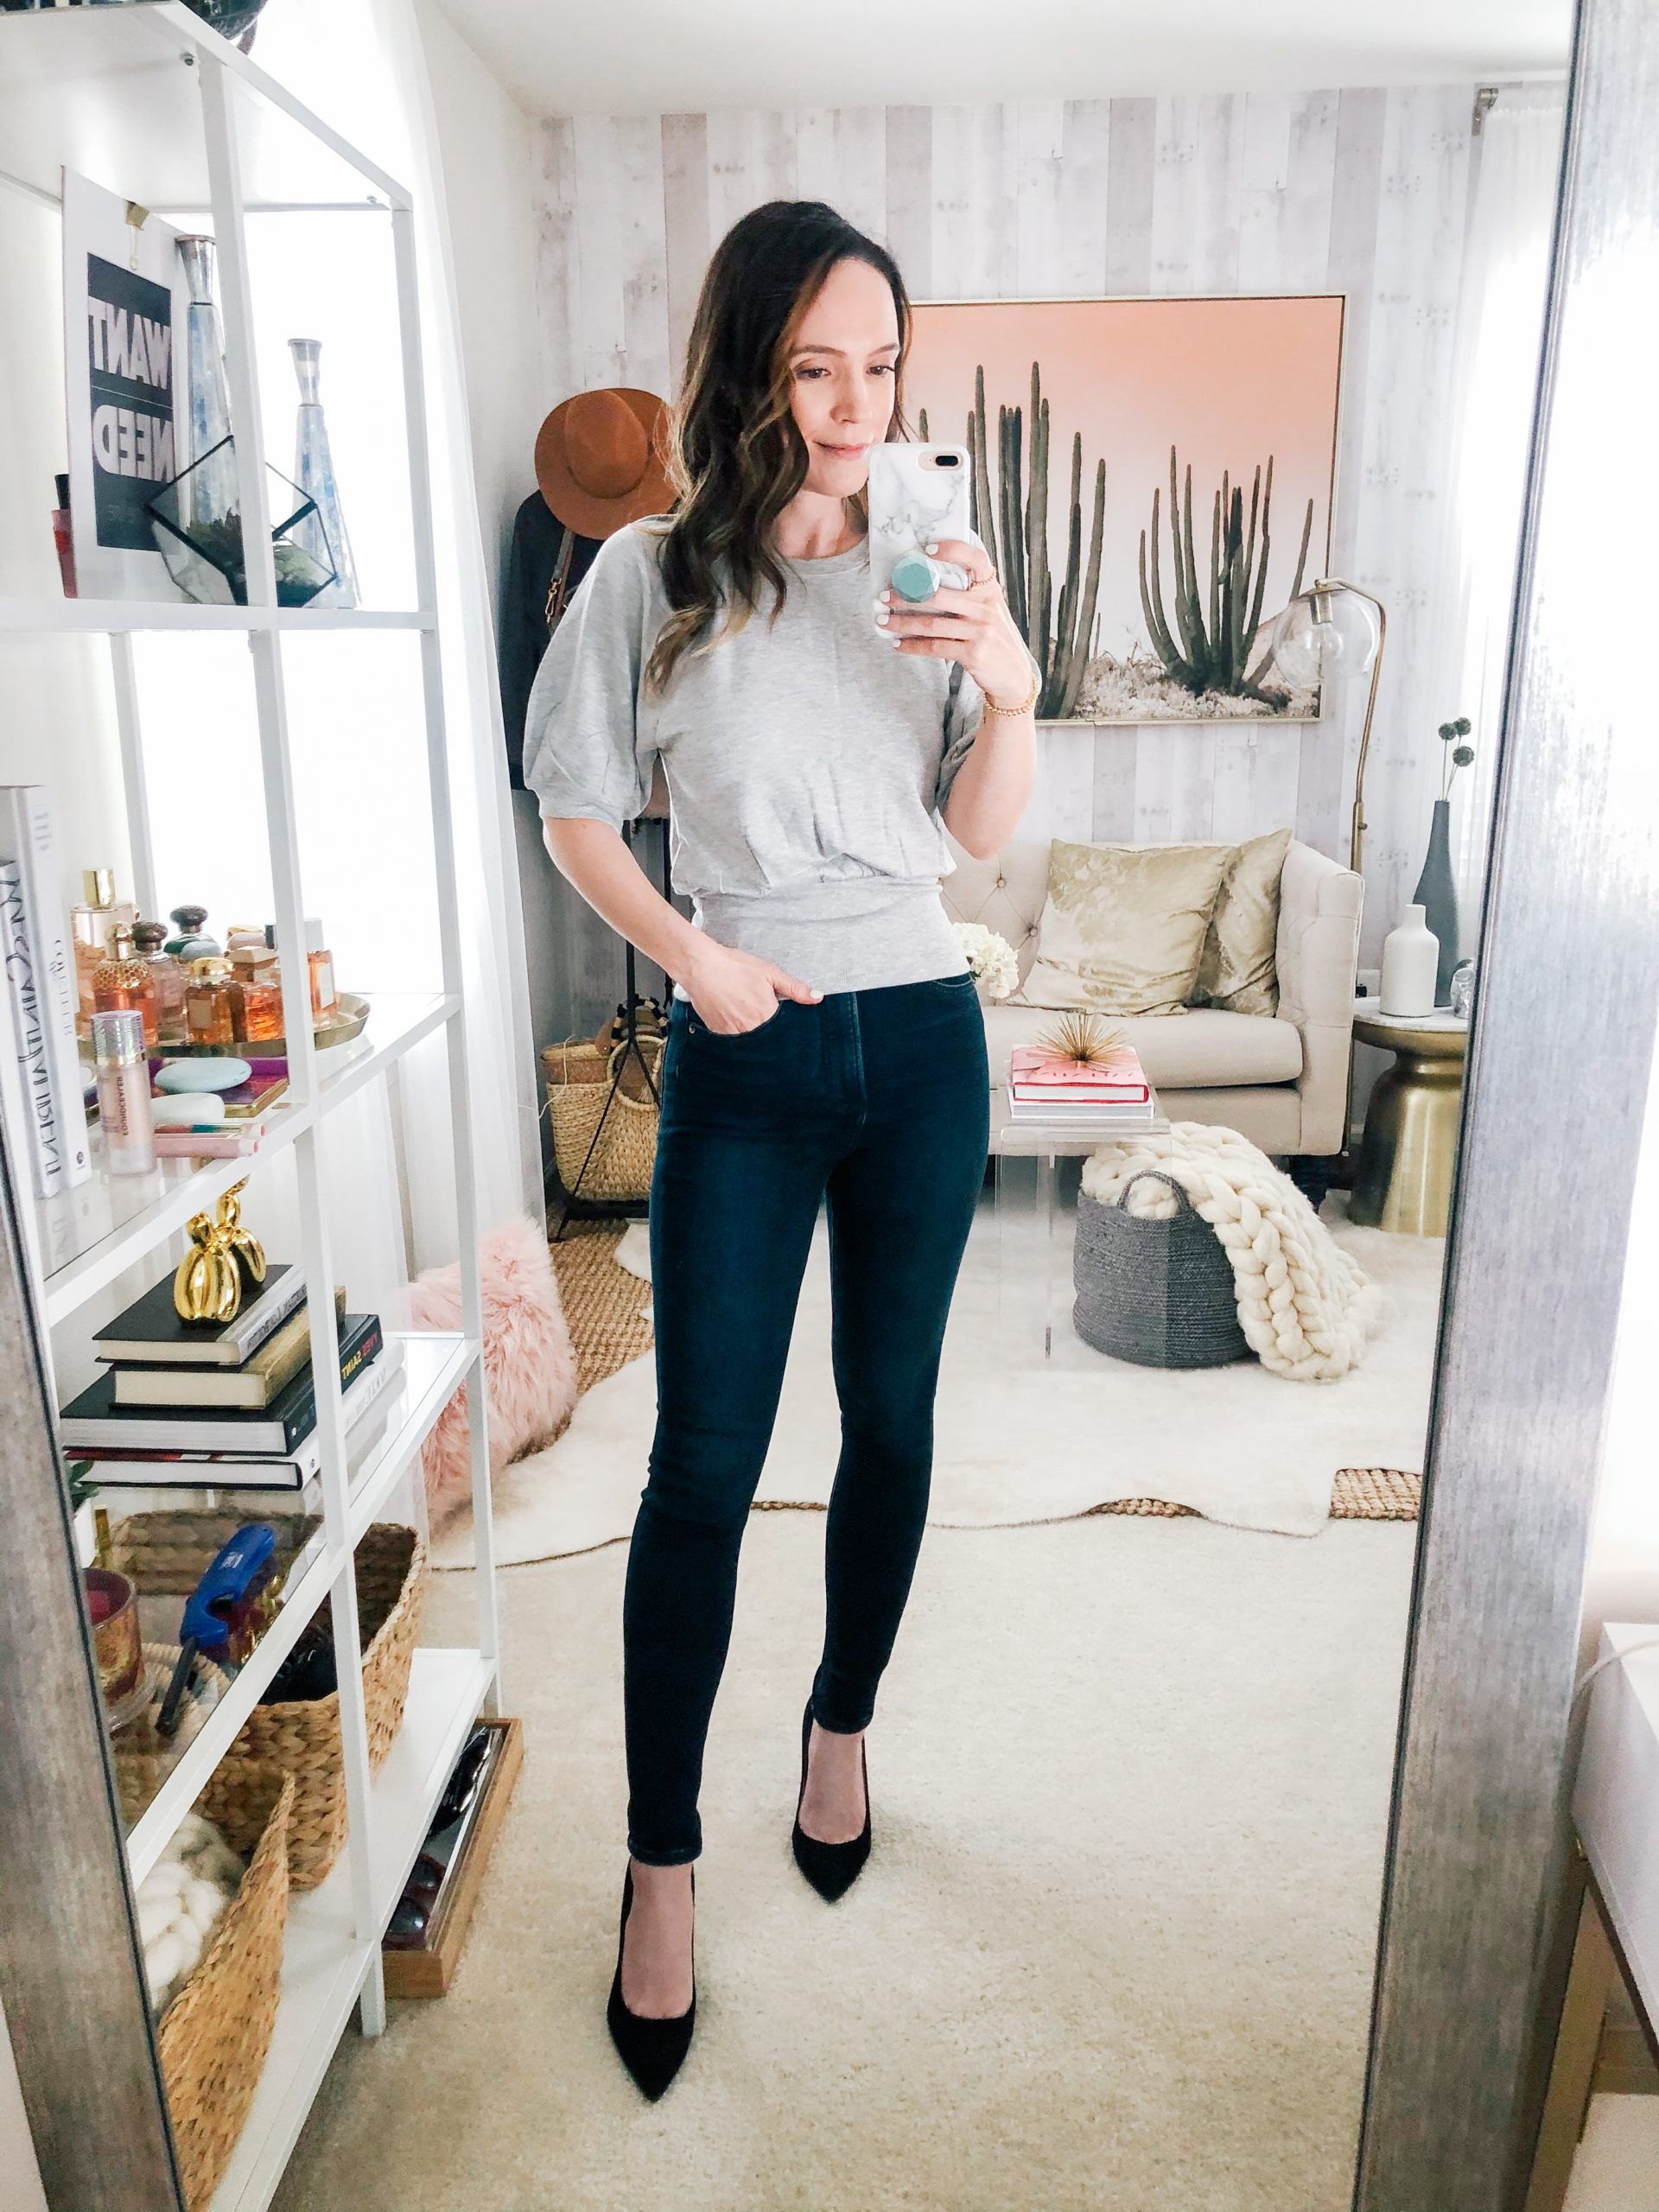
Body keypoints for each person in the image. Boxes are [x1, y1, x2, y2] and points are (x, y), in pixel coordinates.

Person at [523, 198, 1039, 2100]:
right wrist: (697, 961)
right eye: (816, 367)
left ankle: (840, 1727)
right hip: (742, 1045)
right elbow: (577, 809)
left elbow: (974, 830)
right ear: (749, 368)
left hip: (922, 1039)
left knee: (891, 1423)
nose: (852, 405)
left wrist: (1012, 677)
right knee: (703, 1467)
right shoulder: (652, 572)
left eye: (881, 366)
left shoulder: (934, 556)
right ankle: (661, 1863)